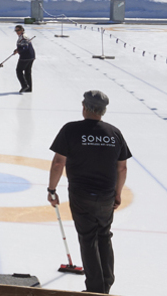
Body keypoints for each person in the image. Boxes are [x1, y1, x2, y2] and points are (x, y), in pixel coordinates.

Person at [48, 90, 131, 295]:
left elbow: (58, 162)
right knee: (104, 235)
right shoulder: (114, 133)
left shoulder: (71, 130)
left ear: (85, 107)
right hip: (106, 195)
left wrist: (52, 189)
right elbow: (122, 168)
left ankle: (95, 289)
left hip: (81, 194)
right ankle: (107, 282)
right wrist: (117, 193)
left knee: (87, 238)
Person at [13, 25, 35, 93]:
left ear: (22, 30)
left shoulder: (23, 37)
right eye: (16, 31)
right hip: (31, 56)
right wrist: (17, 50)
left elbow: (25, 47)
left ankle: (24, 85)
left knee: (19, 70)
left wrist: (18, 50)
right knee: (27, 72)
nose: (17, 32)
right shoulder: (23, 36)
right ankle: (29, 88)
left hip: (25, 57)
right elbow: (23, 46)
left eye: (18, 30)